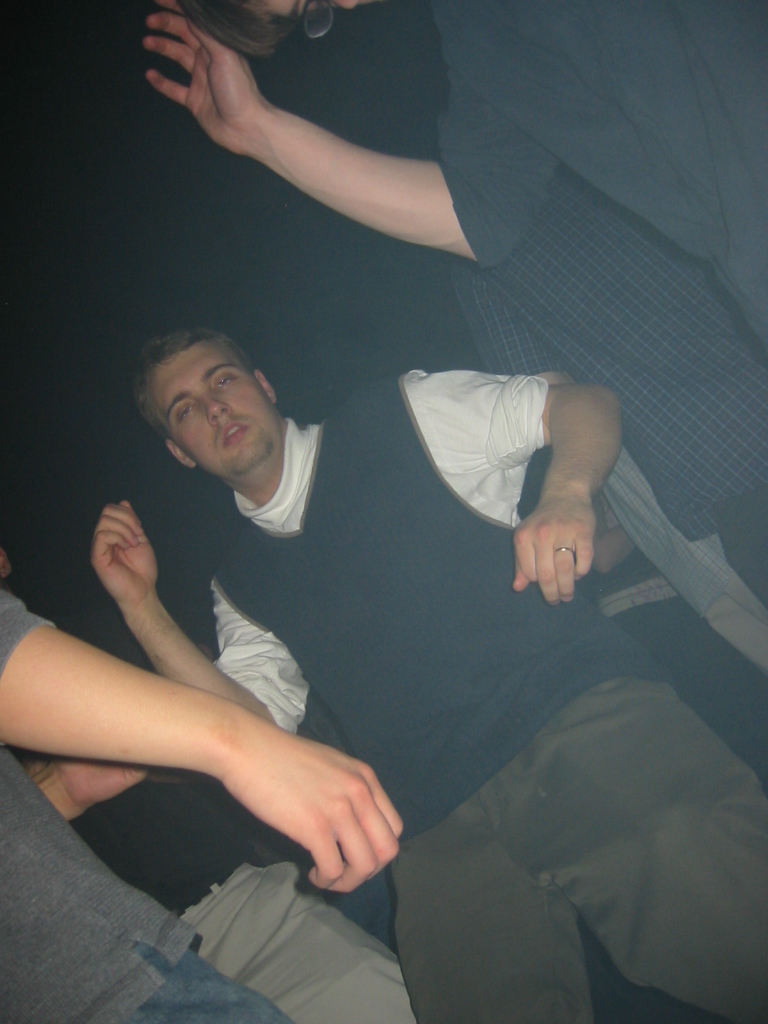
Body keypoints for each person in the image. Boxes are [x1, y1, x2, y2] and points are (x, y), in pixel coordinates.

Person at [104, 326, 768, 1024]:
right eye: (184, 409)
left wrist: (567, 493)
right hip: (431, 826)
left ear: (262, 386)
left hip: (570, 715)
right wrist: (142, 607)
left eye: (222, 379)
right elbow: (246, 728)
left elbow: (582, 403)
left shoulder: (397, 415)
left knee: (734, 925)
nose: (213, 407)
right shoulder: (240, 585)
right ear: (181, 451)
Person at [140, 0, 768, 670]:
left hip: (734, 435)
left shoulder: (402, 413)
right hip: (687, 515)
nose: (343, 6)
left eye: (222, 379)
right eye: (313, 9)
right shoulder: (484, 61)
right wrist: (258, 128)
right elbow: (482, 216)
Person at [0, 558, 415, 1024]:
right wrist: (236, 745)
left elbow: (255, 724)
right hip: (97, 975)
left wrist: (142, 607)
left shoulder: (90, 636)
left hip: (230, 909)